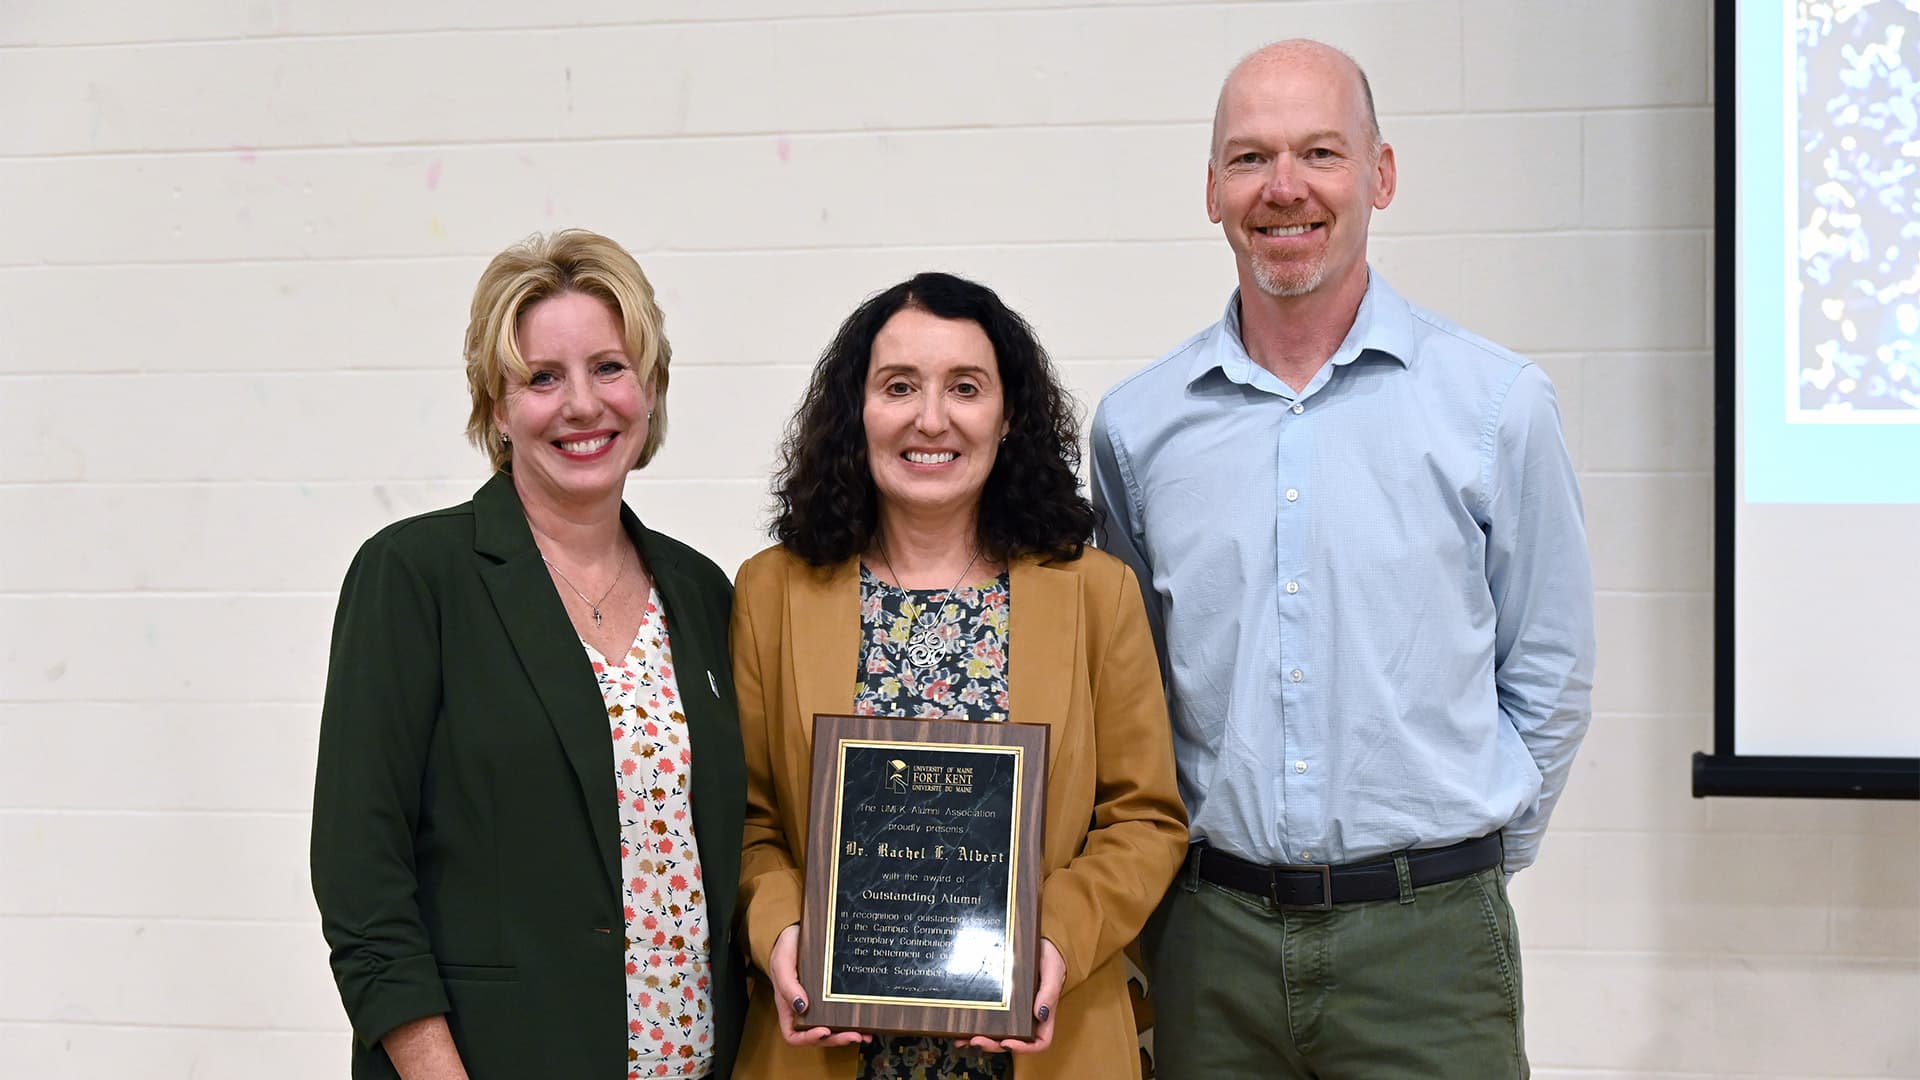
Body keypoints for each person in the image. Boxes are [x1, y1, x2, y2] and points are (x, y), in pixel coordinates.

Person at [1089, 40, 1596, 1079]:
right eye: (1250, 158)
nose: (1284, 189)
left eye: (1320, 152)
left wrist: (1457, 871)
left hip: (1430, 951)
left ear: (1381, 174)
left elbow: (1551, 673)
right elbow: (1130, 697)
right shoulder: (1138, 431)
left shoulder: (1497, 407)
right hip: (1208, 946)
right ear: (1212, 190)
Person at [311, 229, 747, 1079]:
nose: (582, 404)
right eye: (542, 378)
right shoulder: (414, 577)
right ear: (497, 407)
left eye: (610, 368)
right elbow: (362, 877)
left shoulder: (702, 593)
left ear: (650, 389)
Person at [730, 272, 1188, 1080]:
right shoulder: (773, 591)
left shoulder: (1093, 594)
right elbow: (747, 819)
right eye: (898, 386)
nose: (930, 418)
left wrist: (1055, 939)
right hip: (828, 1056)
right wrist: (779, 929)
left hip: (1050, 1045)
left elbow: (1144, 819)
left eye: (965, 388)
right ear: (856, 412)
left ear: (1008, 415)